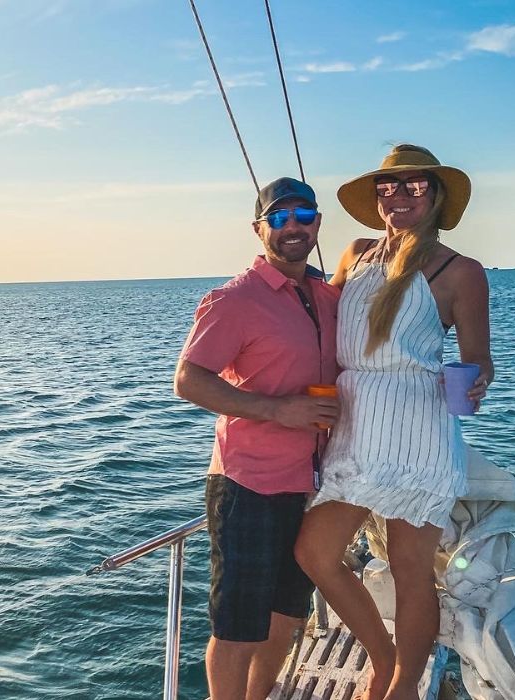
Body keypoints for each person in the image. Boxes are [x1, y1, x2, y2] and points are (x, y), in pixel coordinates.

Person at [294, 144, 493, 700]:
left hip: (417, 427)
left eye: (413, 186)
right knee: (313, 552)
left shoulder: (461, 271)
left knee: (411, 570)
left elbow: (480, 356)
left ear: (435, 195)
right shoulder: (356, 254)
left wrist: (475, 379)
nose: (398, 196)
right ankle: (382, 659)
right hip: (355, 423)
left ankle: (404, 684)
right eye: (388, 186)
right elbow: (321, 326)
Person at [174, 176, 341, 700]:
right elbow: (189, 379)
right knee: (237, 626)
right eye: (278, 218)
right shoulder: (235, 300)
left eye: (303, 215)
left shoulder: (326, 294)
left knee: (287, 614)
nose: (292, 227)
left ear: (317, 222)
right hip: (248, 484)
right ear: (258, 228)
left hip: (310, 482)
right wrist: (278, 410)